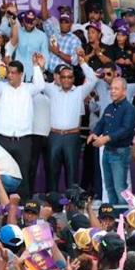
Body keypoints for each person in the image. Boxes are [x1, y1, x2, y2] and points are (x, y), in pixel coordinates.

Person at [0, 53, 45, 198]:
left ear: (21, 74)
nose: (10, 75)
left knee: (23, 173)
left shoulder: (28, 89)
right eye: (8, 72)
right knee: (1, 173)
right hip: (3, 139)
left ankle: (23, 208)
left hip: (23, 140)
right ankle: (1, 206)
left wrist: (36, 66)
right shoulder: (2, 88)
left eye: (14, 73)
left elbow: (40, 85)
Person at [42, 56, 97, 191]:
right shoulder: (52, 90)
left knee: (72, 172)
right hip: (54, 136)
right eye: (64, 77)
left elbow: (93, 79)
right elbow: (39, 83)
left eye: (69, 77)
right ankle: (52, 203)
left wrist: (82, 62)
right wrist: (39, 67)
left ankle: (72, 205)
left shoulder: (79, 92)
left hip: (72, 137)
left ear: (73, 79)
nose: (66, 79)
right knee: (52, 172)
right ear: (59, 79)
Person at [88, 77, 135, 204]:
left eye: (116, 89)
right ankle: (113, 217)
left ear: (124, 91)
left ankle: (124, 217)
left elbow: (126, 129)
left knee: (120, 188)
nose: (112, 91)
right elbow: (101, 123)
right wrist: (94, 133)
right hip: (107, 150)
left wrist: (106, 138)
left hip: (120, 152)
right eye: (111, 89)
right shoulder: (110, 107)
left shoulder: (129, 109)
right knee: (109, 187)